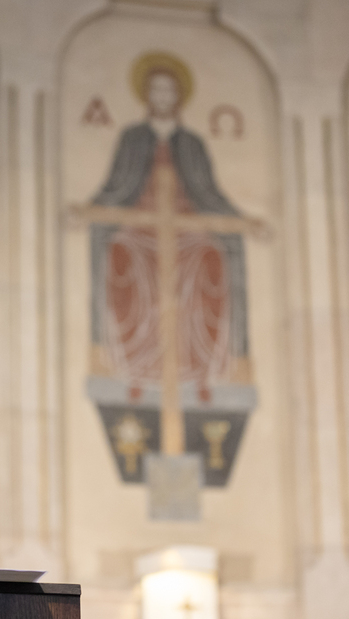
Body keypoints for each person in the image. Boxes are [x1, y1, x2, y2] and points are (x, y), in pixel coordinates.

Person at [89, 51, 248, 402]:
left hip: (187, 227)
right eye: (156, 90)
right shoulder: (132, 137)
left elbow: (209, 193)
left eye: (169, 91)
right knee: (121, 252)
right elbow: (117, 186)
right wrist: (92, 208)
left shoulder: (193, 143)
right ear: (147, 95)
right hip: (140, 226)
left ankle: (201, 371)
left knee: (210, 255)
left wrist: (240, 220)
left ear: (179, 97)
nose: (162, 97)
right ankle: (136, 370)